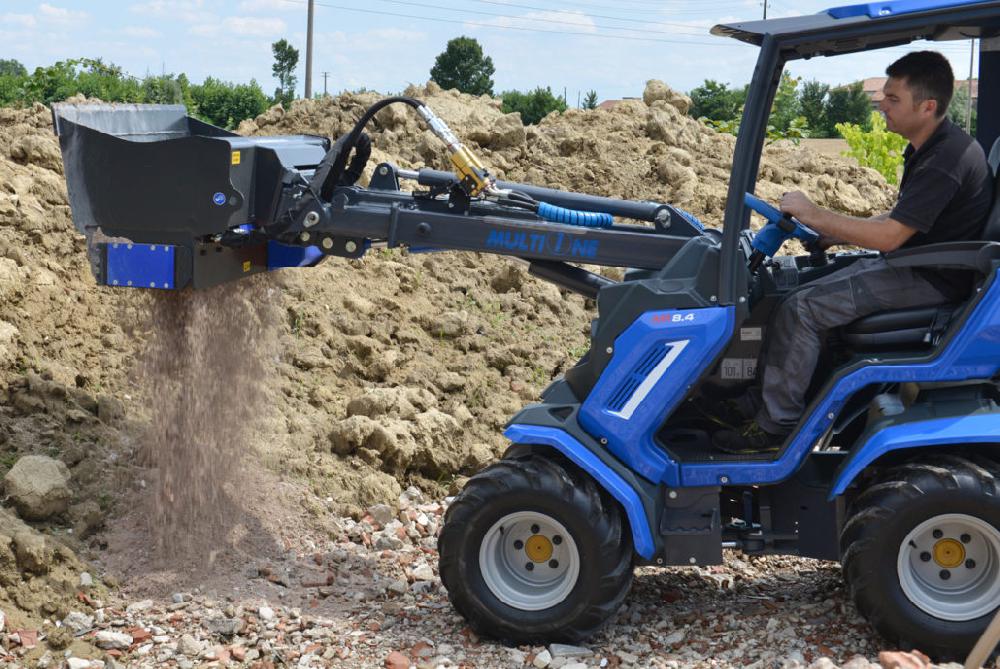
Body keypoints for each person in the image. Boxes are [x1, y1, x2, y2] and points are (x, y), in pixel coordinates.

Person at [713, 51, 995, 454]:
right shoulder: (934, 146)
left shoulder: (946, 158)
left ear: (927, 106)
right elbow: (907, 216)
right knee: (790, 295)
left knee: (802, 309)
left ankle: (774, 427)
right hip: (918, 263)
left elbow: (891, 237)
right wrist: (832, 232)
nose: (882, 105)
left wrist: (816, 213)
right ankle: (762, 400)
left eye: (893, 99)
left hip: (929, 278)